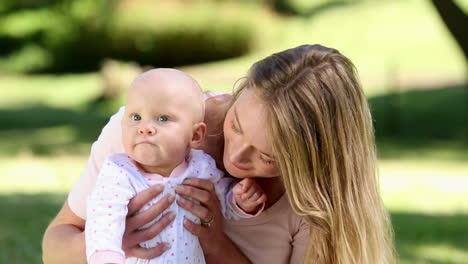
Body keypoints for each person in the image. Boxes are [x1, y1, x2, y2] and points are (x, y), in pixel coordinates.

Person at [43, 44, 395, 264]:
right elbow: (55, 246)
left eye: (268, 157)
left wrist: (215, 243)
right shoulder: (148, 129)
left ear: (309, 163)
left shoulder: (313, 204)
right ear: (242, 90)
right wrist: (113, 238)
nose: (237, 158)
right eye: (237, 125)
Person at [85, 68, 266, 264]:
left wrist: (240, 200)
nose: (145, 128)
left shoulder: (202, 167)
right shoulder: (120, 171)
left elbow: (221, 203)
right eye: (136, 117)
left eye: (163, 118)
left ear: (195, 135)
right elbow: (103, 216)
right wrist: (107, 257)